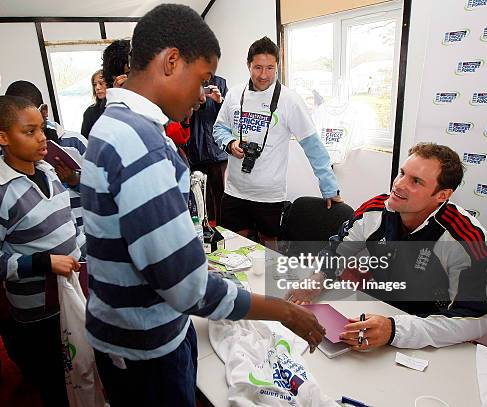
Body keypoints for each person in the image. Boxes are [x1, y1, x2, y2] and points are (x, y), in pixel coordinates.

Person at [80, 5, 326, 407]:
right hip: (148, 344)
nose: (201, 96)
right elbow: (184, 286)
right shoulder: (144, 144)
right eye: (202, 80)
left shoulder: (113, 123)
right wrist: (281, 311)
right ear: (171, 61)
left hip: (121, 329)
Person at [289, 143, 487, 350]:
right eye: (402, 173)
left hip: (430, 336)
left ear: (442, 195)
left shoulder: (467, 238)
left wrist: (394, 330)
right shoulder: (375, 210)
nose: (398, 185)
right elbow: (336, 252)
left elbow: (477, 320)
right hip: (376, 317)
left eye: (416, 181)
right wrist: (319, 276)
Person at [0, 95, 83, 407]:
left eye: (42, 129)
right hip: (38, 312)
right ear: (2, 138)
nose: (42, 138)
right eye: (29, 132)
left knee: (81, 372)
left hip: (71, 296)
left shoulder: (48, 170)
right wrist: (42, 262)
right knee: (55, 383)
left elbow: (63, 226)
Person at [212, 37, 342, 245]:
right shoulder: (235, 94)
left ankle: (268, 279)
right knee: (232, 246)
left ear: (277, 67)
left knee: (269, 247)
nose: (264, 75)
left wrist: (329, 187)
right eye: (258, 68)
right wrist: (229, 143)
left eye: (270, 68)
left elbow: (313, 146)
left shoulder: (289, 100)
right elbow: (219, 129)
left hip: (269, 195)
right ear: (248, 65)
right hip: (235, 190)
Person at [5, 80, 87, 241]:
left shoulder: (75, 142)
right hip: (39, 239)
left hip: (83, 229)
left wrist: (73, 179)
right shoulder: (8, 150)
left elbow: (102, 186)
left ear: (44, 110)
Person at [187, 74, 228, 224]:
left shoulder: (220, 83)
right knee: (200, 197)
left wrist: (219, 102)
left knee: (221, 195)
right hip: (196, 149)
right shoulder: (187, 80)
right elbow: (182, 115)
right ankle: (205, 230)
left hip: (217, 151)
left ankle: (222, 230)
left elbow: (229, 118)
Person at [81, 70, 108, 138]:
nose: (97, 88)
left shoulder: (122, 108)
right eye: (95, 84)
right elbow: (84, 142)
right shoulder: (89, 112)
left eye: (101, 83)